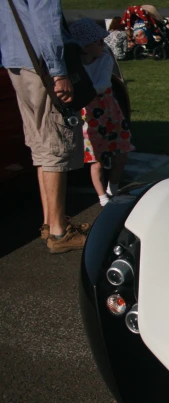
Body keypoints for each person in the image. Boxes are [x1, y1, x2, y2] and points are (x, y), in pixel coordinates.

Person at [0, 0, 89, 254]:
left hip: (15, 61)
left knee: (40, 142)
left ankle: (50, 223)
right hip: (39, 64)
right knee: (55, 143)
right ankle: (59, 231)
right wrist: (58, 72)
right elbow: (46, 22)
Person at [69, 18, 134, 208]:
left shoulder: (105, 57)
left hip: (109, 110)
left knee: (122, 152)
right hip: (89, 114)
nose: (102, 44)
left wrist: (83, 91)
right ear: (85, 47)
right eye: (98, 41)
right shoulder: (75, 65)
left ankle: (113, 186)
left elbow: (103, 83)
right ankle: (102, 197)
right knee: (96, 159)